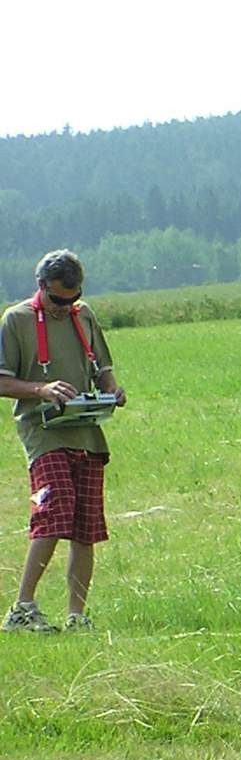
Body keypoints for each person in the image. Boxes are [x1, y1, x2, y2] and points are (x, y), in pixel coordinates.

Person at [0, 250, 127, 632]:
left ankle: (77, 616)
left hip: (86, 431)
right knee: (54, 513)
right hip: (42, 432)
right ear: (40, 286)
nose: (63, 307)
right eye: (57, 300)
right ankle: (22, 608)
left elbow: (102, 369)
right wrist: (41, 389)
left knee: (86, 527)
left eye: (72, 298)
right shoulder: (16, 320)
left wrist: (112, 390)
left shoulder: (83, 316)